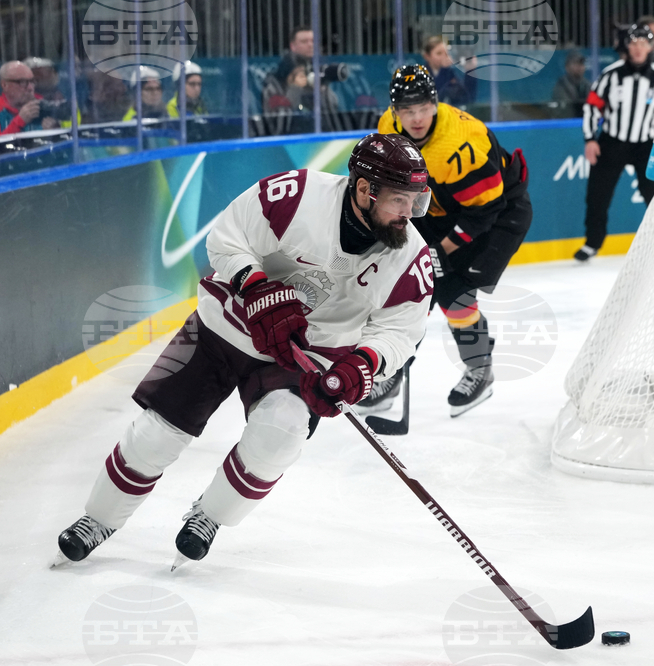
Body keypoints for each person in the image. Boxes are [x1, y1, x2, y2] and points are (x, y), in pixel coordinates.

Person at [53, 133, 435, 567]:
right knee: (156, 433)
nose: (409, 214)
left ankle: (209, 517)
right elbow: (225, 238)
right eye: (400, 201)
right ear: (364, 191)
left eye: (415, 201)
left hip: (306, 357)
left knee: (283, 432)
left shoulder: (411, 257)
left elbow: (400, 332)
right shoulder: (297, 195)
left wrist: (362, 365)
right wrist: (255, 287)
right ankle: (97, 519)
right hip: (224, 326)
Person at [368, 64, 531, 417]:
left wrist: (440, 251)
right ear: (395, 112)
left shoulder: (461, 143)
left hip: (500, 212)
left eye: (424, 108)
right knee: (408, 289)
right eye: (407, 111)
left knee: (453, 291)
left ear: (436, 103)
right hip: (438, 209)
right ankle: (393, 372)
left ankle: (479, 368)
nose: (416, 118)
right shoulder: (387, 127)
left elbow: (485, 211)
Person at [575, 24, 654, 262]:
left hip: (647, 145)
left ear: (651, 47)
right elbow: (592, 107)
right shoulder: (610, 74)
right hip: (612, 142)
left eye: (644, 44)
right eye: (634, 44)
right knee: (597, 195)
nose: (639, 49)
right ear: (627, 46)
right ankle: (593, 242)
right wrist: (590, 139)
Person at [262, 26, 341, 134]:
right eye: (304, 41)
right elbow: (279, 127)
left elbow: (334, 119)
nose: (310, 45)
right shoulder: (275, 86)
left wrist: (322, 90)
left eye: (313, 41)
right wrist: (295, 88)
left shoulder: (321, 72)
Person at [0, 60, 58, 134]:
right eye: (22, 82)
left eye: (32, 81)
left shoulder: (42, 105)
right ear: (5, 85)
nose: (30, 88)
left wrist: (53, 131)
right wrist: (19, 122)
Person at [422, 36, 477, 107]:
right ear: (427, 56)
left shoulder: (451, 72)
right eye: (439, 53)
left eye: (446, 53)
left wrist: (470, 71)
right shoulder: (422, 75)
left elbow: (467, 99)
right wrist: (443, 69)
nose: (444, 57)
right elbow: (434, 100)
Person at [550, 50, 590, 118]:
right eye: (575, 63)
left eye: (581, 63)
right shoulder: (561, 85)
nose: (579, 67)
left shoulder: (587, 84)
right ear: (567, 67)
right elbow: (567, 111)